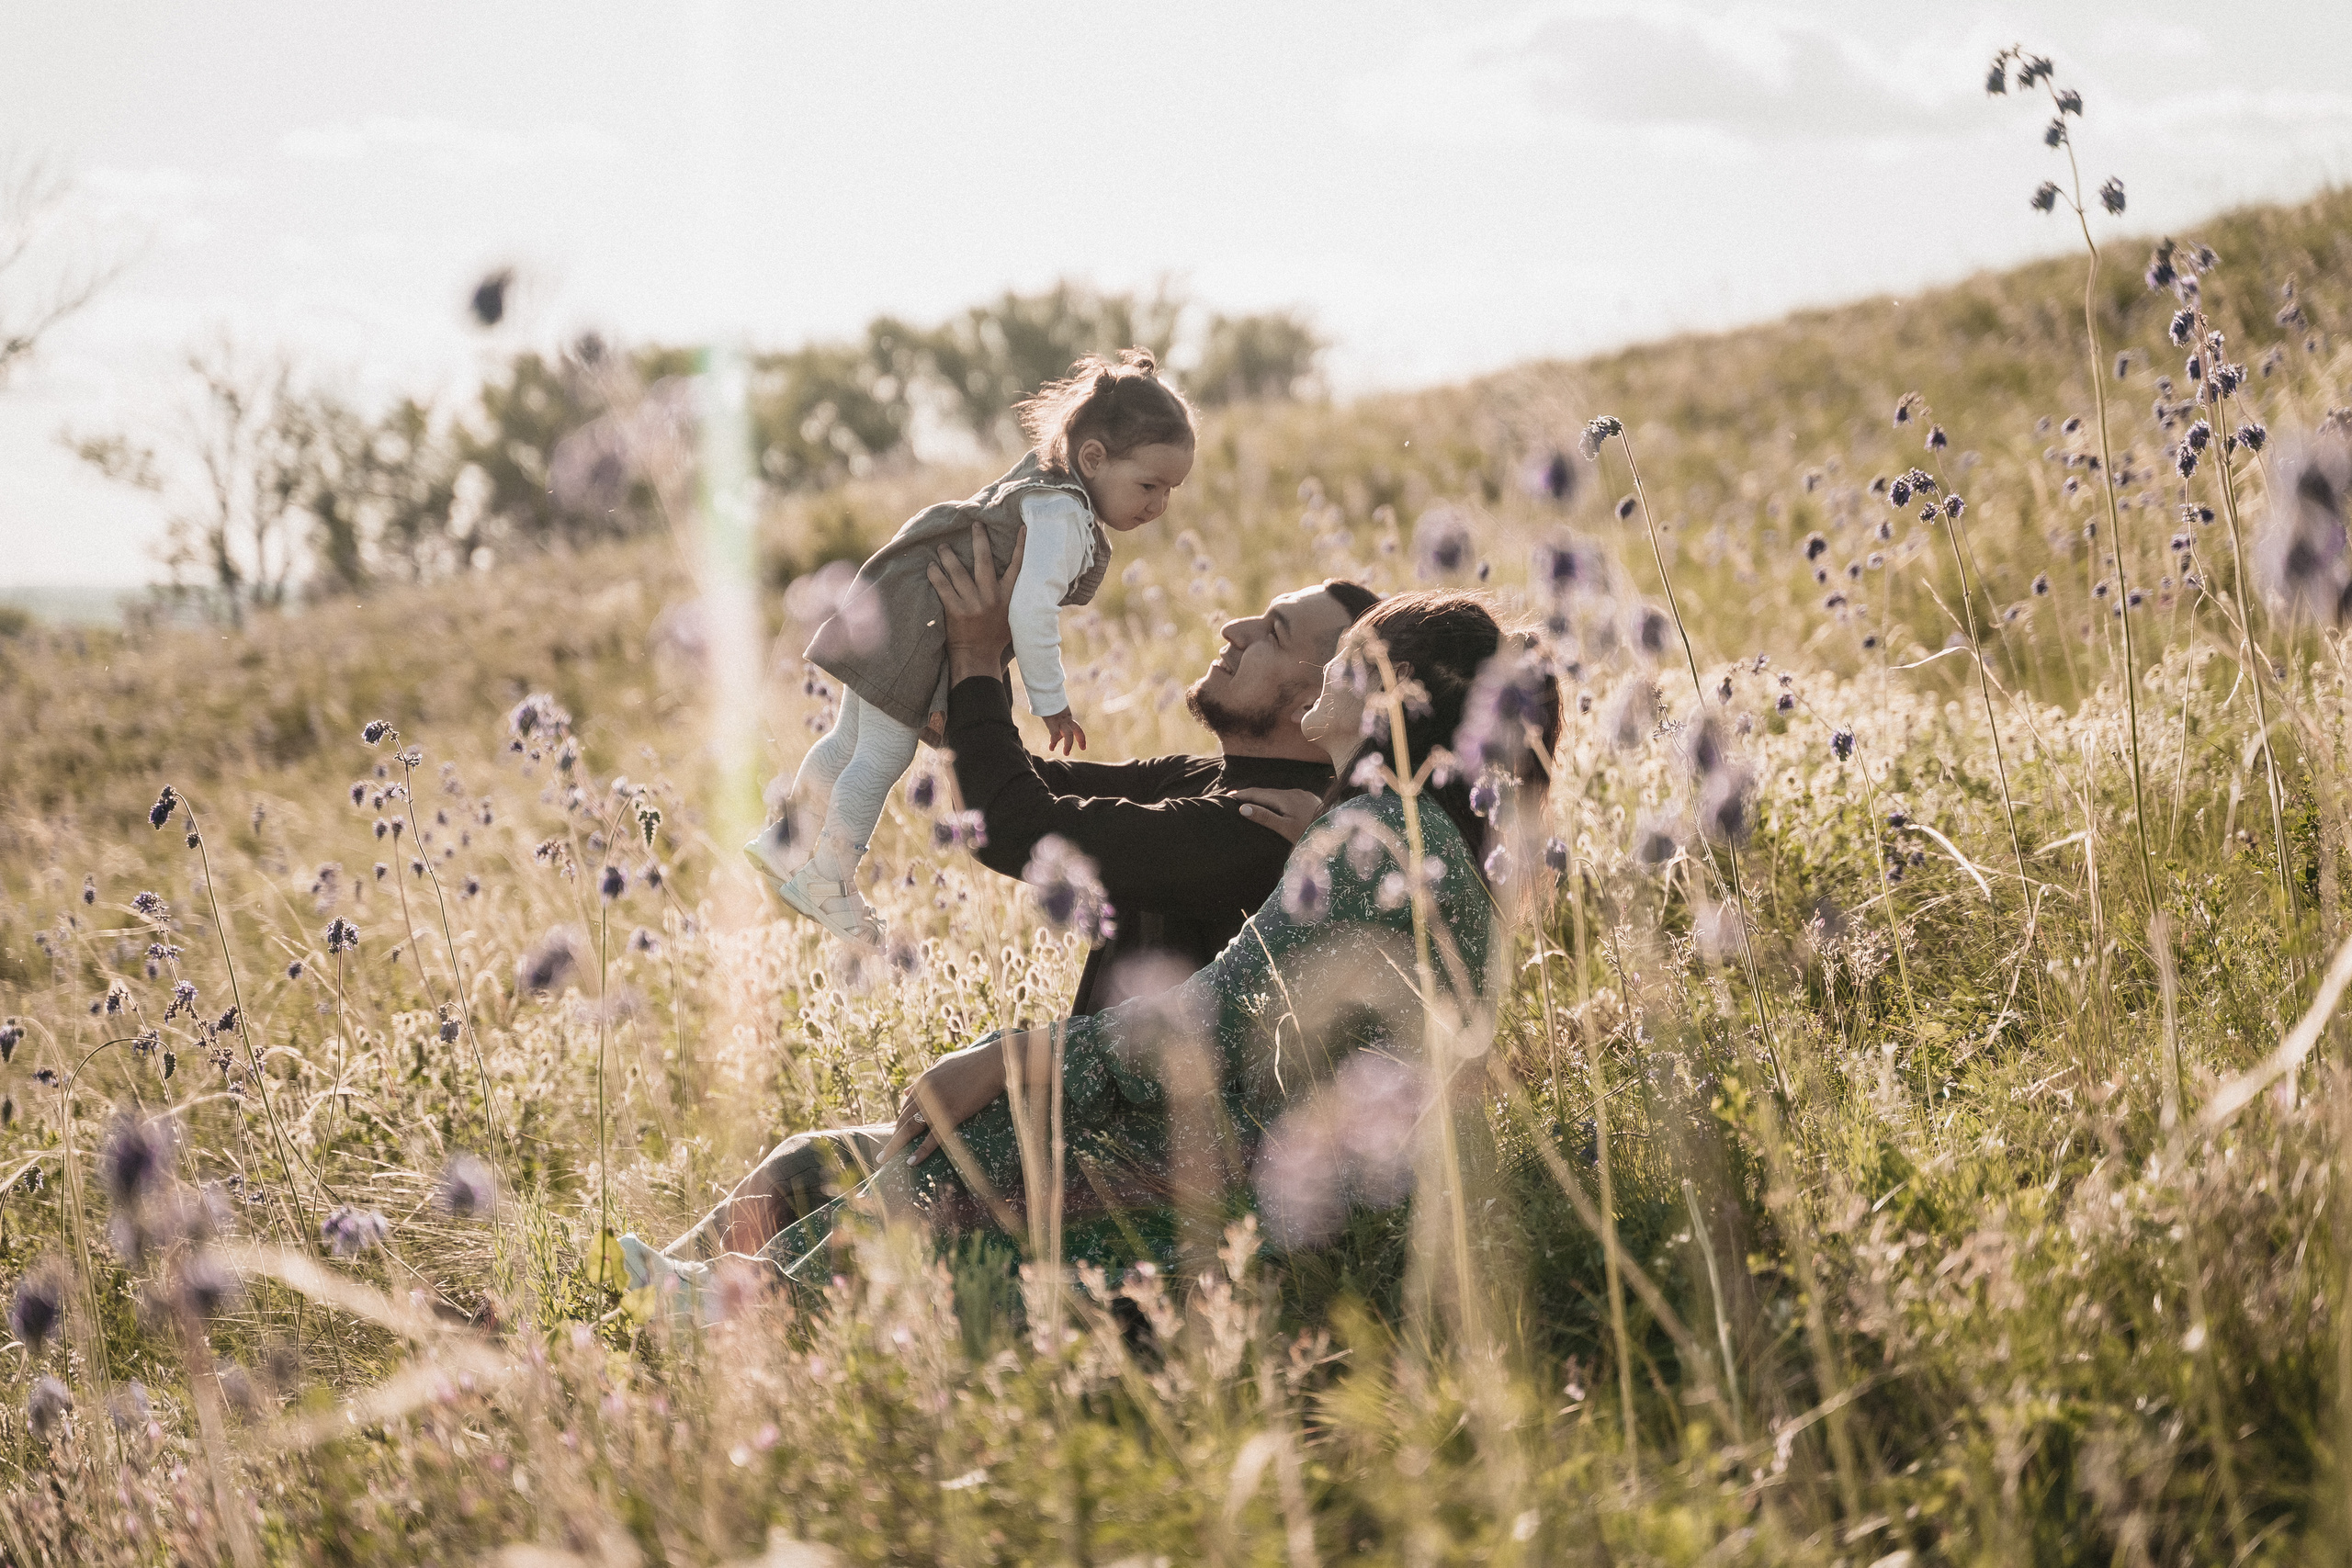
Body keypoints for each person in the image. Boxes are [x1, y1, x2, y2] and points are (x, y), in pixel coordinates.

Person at [621, 592, 1560, 1306]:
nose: (1245, 633)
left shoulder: (1359, 835)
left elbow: (1218, 1021)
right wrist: (962, 702)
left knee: (979, 1147)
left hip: (1245, 1185)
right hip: (1267, 1162)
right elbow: (1039, 793)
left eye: (1344, 654)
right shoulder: (1394, 833)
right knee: (837, 1156)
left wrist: (1012, 1055)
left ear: (1394, 690)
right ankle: (696, 1289)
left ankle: (747, 1307)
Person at [655, 540, 1380, 1260]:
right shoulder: (1208, 779)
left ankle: (692, 1302)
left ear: (1321, 695)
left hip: (1124, 1176)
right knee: (805, 1166)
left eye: (1273, 631)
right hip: (1069, 1120)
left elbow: (1014, 826)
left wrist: (976, 657)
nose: (1234, 629)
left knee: (841, 1222)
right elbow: (1019, 785)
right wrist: (963, 680)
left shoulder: (1257, 828)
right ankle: (654, 1296)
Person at [747, 349, 1196, 948]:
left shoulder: (1045, 476)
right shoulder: (1065, 514)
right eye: (1149, 485)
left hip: (900, 598)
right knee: (881, 755)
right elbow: (1030, 609)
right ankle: (827, 876)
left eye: (1170, 491)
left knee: (847, 739)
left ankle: (785, 841)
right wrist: (1051, 702)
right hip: (924, 624)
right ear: (1094, 458)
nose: (1158, 505)